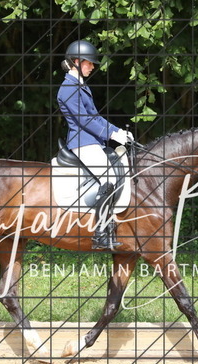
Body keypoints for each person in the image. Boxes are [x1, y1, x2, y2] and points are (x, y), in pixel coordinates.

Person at [57, 40, 132, 250]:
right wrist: (112, 135)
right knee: (109, 179)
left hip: (92, 141)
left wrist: (118, 131)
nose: (92, 67)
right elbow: (84, 120)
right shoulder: (68, 88)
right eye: (89, 63)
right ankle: (100, 233)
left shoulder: (80, 86)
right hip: (82, 142)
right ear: (76, 61)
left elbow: (96, 117)